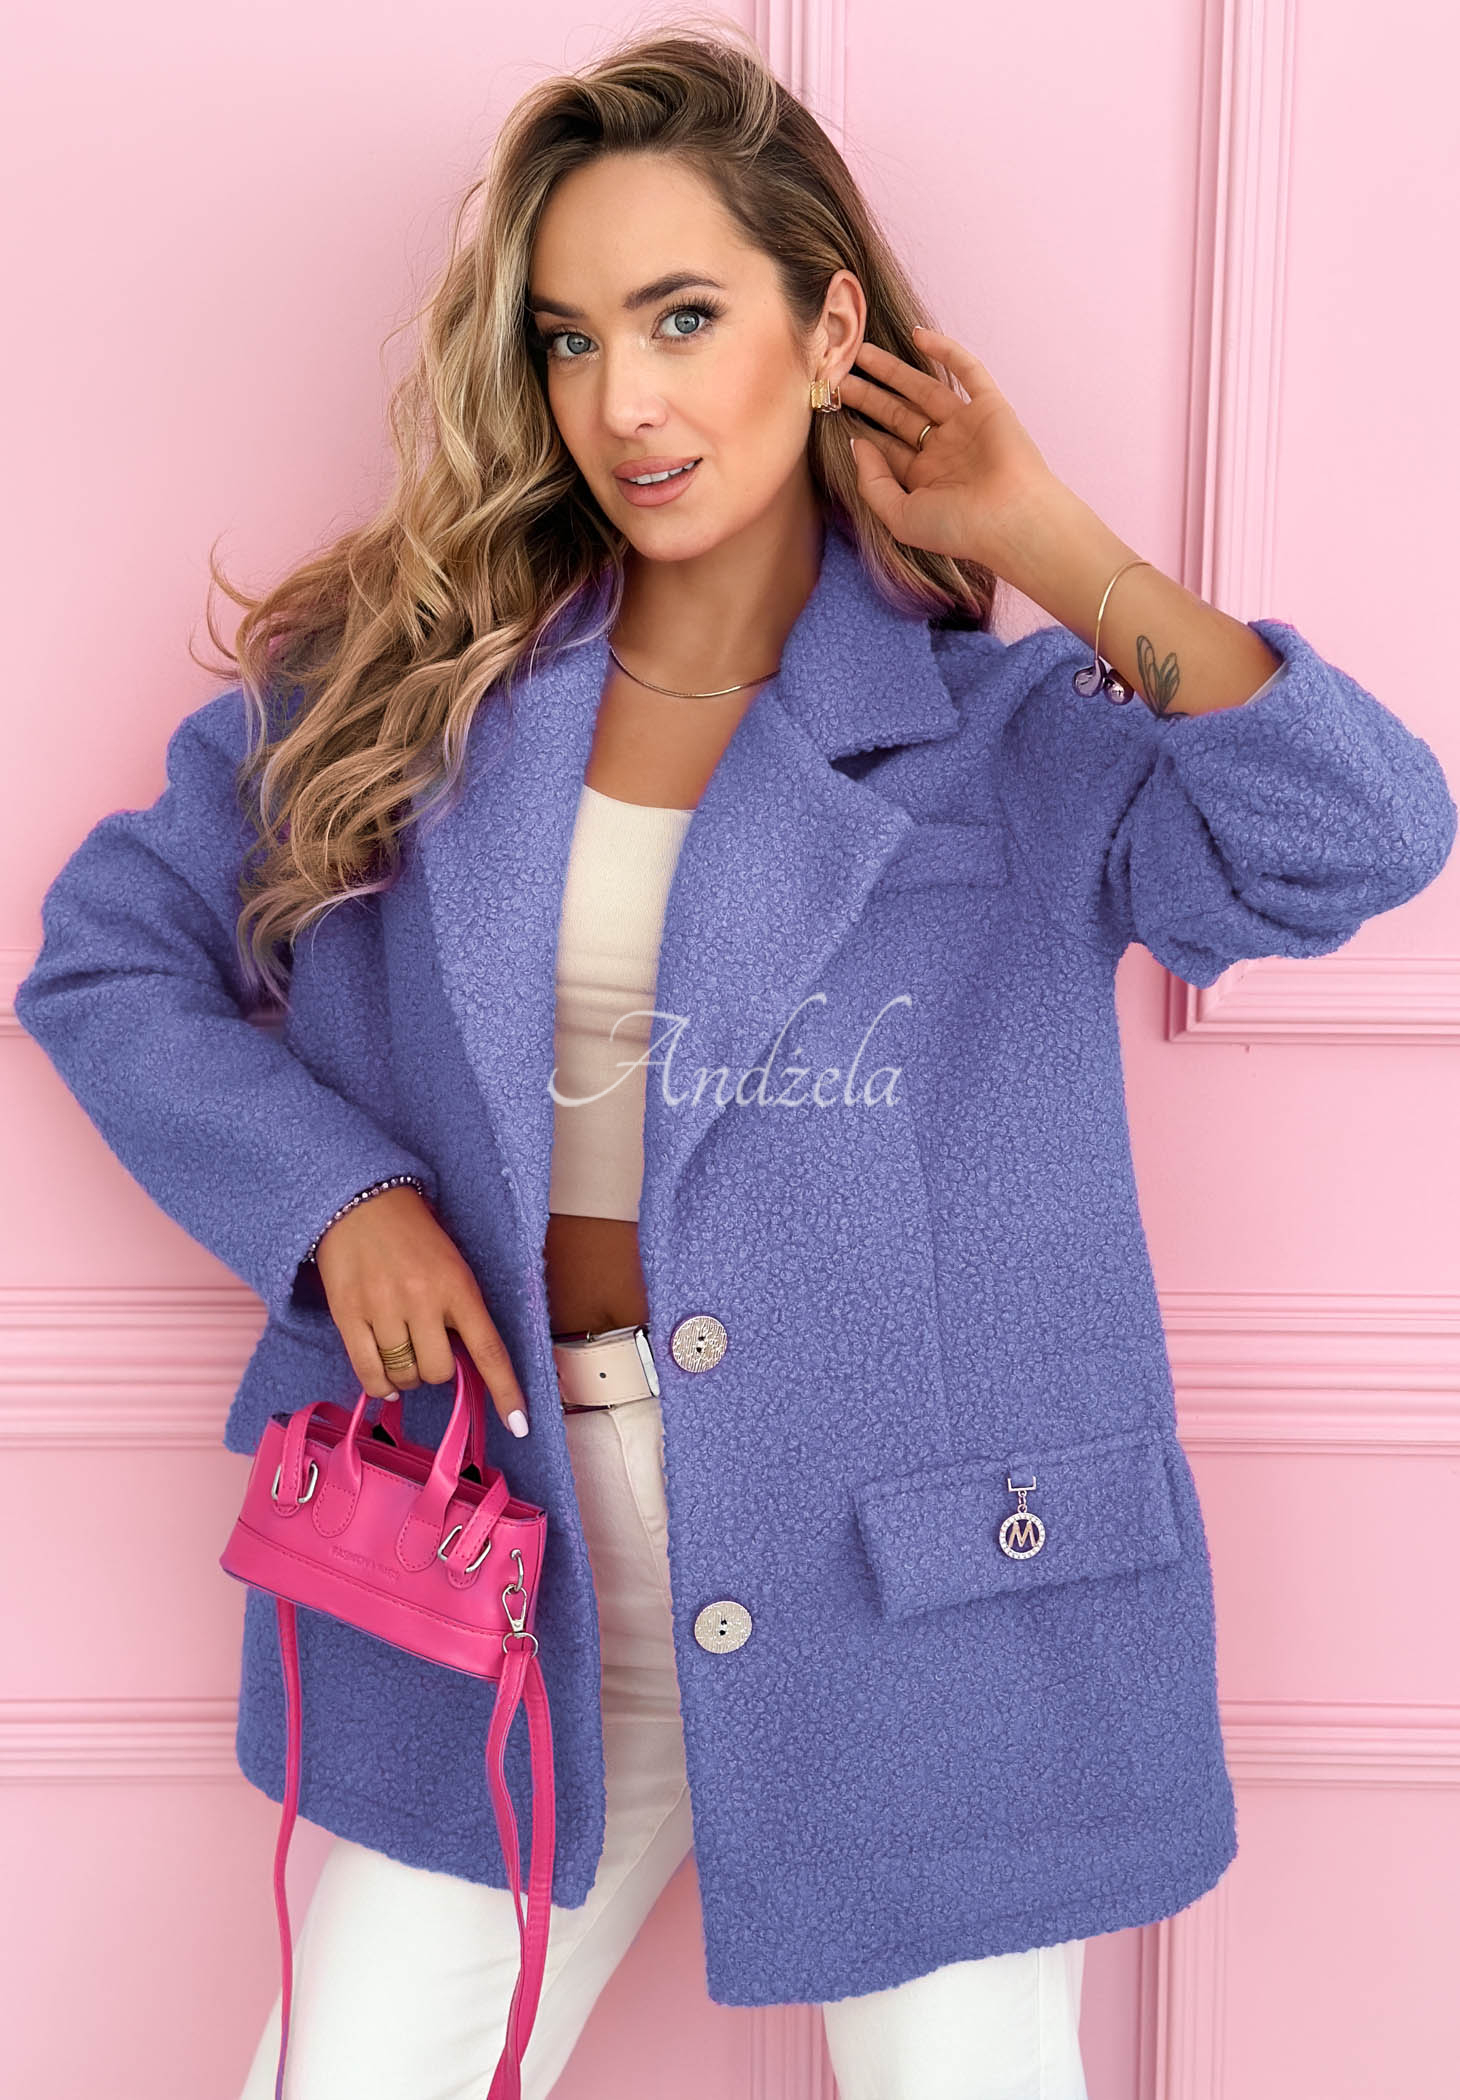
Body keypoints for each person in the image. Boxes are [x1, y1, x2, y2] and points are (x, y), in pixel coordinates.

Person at [14, 26, 1455, 2100]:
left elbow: (1360, 837)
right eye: (572, 336)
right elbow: (108, 956)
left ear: (829, 325)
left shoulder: (1005, 733)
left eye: (684, 318)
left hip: (920, 1596)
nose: (625, 400)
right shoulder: (406, 692)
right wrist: (340, 1202)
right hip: (508, 1559)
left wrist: (1046, 535)